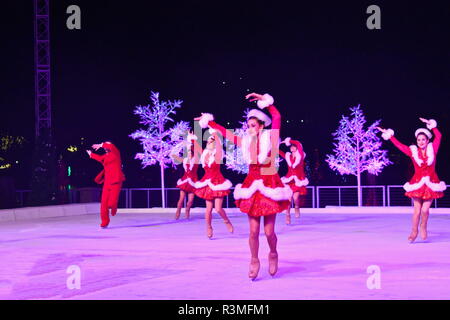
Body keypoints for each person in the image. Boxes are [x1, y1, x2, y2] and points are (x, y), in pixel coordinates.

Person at [195, 92, 292, 280]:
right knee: (253, 231)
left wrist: (266, 103)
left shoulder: (271, 137)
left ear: (262, 125)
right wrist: (209, 123)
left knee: (269, 231)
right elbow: (226, 134)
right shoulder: (245, 140)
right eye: (248, 125)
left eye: (253, 125)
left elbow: (277, 117)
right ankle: (254, 260)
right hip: (251, 185)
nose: (249, 128)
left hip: (269, 182)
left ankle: (273, 253)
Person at [377, 118, 446, 242]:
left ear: (427, 140)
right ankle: (414, 231)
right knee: (417, 211)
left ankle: (423, 226)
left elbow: (439, 136)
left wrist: (432, 126)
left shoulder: (433, 149)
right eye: (419, 140)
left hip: (431, 183)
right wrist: (390, 136)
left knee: (425, 210)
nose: (421, 142)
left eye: (423, 139)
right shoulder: (413, 151)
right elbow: (399, 145)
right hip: (417, 183)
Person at [189, 129, 234, 239]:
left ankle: (226, 221)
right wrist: (192, 138)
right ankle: (209, 227)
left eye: (211, 141)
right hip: (207, 182)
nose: (209, 143)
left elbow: (218, 144)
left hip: (218, 182)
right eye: (208, 142)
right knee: (208, 209)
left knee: (218, 208)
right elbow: (197, 148)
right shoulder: (204, 155)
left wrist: (214, 133)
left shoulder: (218, 154)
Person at [87, 141, 125, 228]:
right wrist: (91, 154)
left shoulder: (116, 153)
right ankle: (105, 221)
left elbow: (112, 147)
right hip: (107, 182)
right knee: (103, 204)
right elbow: (100, 158)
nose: (105, 146)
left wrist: (101, 144)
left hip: (116, 181)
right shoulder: (106, 156)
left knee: (111, 203)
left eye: (106, 144)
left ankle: (114, 206)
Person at [279, 137, 309, 224]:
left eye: (293, 146)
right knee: (288, 200)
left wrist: (289, 141)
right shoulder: (288, 156)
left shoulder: (301, 155)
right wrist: (276, 146)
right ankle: (287, 216)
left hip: (298, 180)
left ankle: (297, 207)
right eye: (290, 146)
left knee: (295, 198)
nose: (292, 147)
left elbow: (299, 144)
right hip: (289, 180)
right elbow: (280, 152)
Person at [171, 133, 199, 220]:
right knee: (181, 199)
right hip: (185, 181)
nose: (190, 153)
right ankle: (178, 211)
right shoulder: (184, 160)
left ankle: (187, 211)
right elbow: (173, 155)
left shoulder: (196, 160)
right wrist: (181, 144)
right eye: (188, 152)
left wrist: (192, 140)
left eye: (191, 152)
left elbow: (196, 149)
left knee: (190, 201)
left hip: (193, 181)